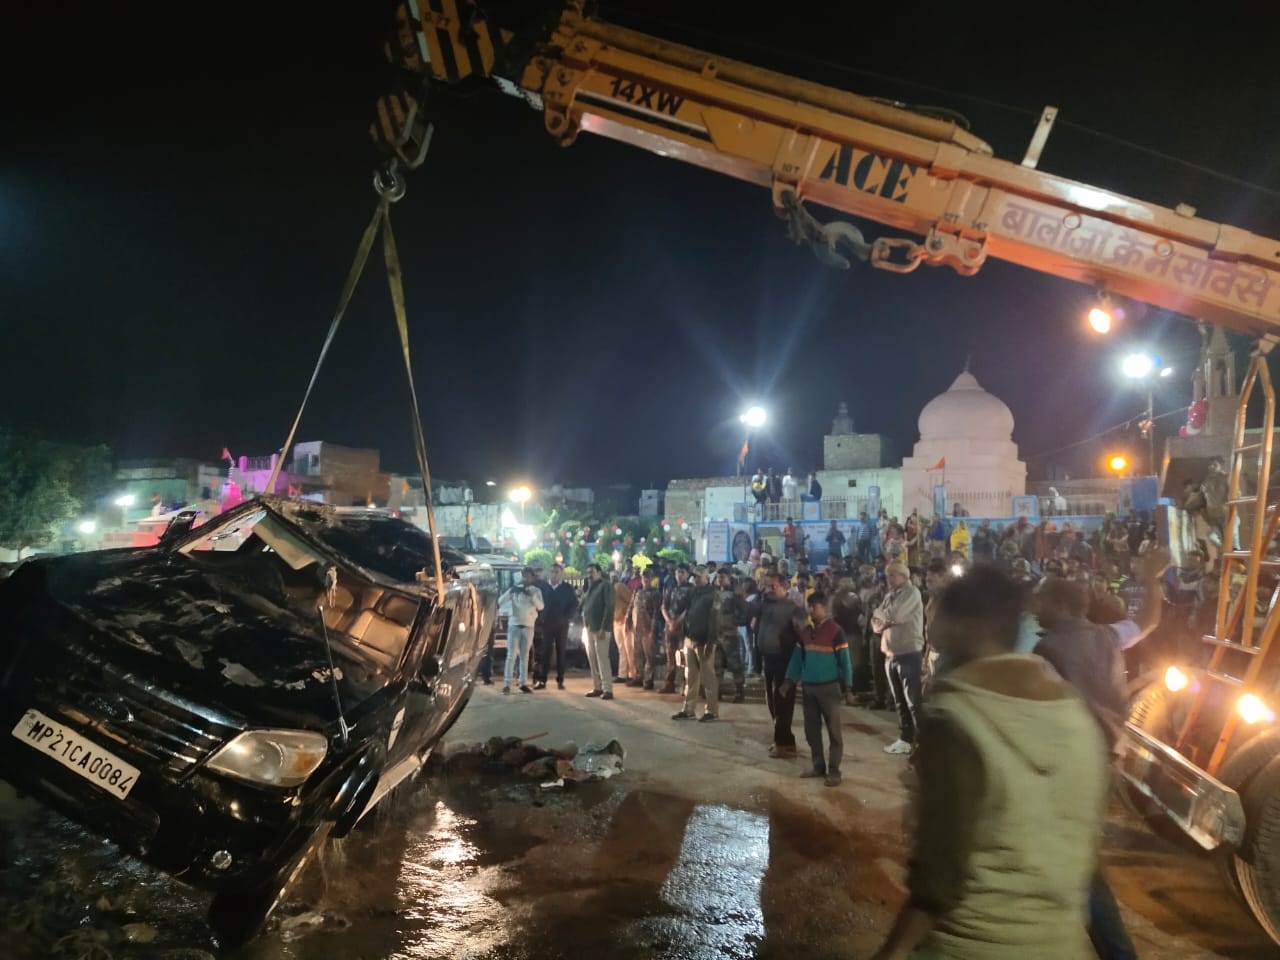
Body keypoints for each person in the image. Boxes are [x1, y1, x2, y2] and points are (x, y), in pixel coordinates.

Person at [870, 567, 1109, 960]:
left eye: (939, 628)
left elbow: (938, 881)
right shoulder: (1075, 712)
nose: (934, 639)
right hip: (1060, 944)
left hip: (973, 944)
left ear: (968, 628)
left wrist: (891, 952)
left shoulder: (958, 718)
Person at [783, 592, 853, 786]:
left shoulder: (836, 631)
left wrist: (848, 687)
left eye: (814, 606)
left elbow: (845, 662)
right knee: (811, 730)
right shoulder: (806, 632)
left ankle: (834, 770)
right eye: (809, 606)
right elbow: (797, 658)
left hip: (829, 688)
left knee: (834, 731)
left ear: (824, 607)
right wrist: (788, 680)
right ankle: (818, 764)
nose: (810, 610)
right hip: (808, 689)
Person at [750, 572, 805, 757]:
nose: (769, 590)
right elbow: (748, 616)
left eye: (773, 586)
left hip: (785, 660)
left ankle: (784, 743)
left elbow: (802, 637)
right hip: (768, 658)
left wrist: (797, 671)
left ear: (784, 586)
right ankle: (783, 738)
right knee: (772, 700)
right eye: (766, 586)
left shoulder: (794, 609)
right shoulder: (765, 604)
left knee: (783, 701)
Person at [873, 561, 924, 755]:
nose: (888, 579)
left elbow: (897, 615)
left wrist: (883, 617)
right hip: (890, 654)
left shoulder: (912, 593)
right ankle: (905, 738)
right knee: (899, 701)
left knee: (912, 700)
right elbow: (875, 623)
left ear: (902, 575)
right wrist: (884, 618)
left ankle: (921, 740)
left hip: (908, 652)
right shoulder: (889, 595)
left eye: (891, 575)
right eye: (887, 576)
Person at [672, 567, 722, 721]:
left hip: (703, 641)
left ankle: (712, 711)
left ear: (707, 577)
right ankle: (688, 709)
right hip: (689, 639)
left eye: (699, 577)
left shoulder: (713, 595)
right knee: (690, 676)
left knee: (708, 677)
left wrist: (710, 641)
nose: (696, 579)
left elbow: (715, 620)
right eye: (695, 577)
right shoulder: (692, 592)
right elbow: (683, 610)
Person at [499, 567, 544, 695]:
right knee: (511, 655)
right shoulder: (515, 589)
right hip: (514, 625)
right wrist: (510, 593)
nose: (526, 578)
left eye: (529, 576)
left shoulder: (536, 591)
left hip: (528, 626)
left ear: (533, 578)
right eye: (524, 576)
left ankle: (523, 683)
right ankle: (507, 683)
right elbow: (500, 602)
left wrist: (533, 597)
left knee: (525, 656)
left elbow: (541, 607)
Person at [536, 563, 578, 690]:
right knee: (545, 651)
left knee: (561, 652)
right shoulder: (543, 587)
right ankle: (542, 679)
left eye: (557, 572)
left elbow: (574, 604)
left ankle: (560, 680)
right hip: (546, 624)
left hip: (562, 624)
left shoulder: (567, 588)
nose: (554, 574)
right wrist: (540, 617)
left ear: (561, 573)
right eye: (552, 571)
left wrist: (567, 617)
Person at [580, 564, 616, 700]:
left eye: (592, 572)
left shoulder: (605, 586)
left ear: (599, 573)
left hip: (601, 628)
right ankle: (597, 687)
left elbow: (609, 607)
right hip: (589, 627)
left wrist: (603, 627)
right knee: (592, 659)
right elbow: (584, 606)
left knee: (602, 659)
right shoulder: (590, 588)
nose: (589, 575)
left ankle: (607, 689)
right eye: (588, 572)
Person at [627, 569, 662, 689]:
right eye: (643, 577)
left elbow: (656, 614)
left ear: (652, 579)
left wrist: (652, 630)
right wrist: (628, 620)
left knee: (649, 655)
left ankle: (648, 679)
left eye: (648, 577)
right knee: (637, 654)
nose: (645, 580)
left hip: (647, 629)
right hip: (637, 628)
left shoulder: (655, 593)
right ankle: (639, 677)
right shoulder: (638, 591)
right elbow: (631, 606)